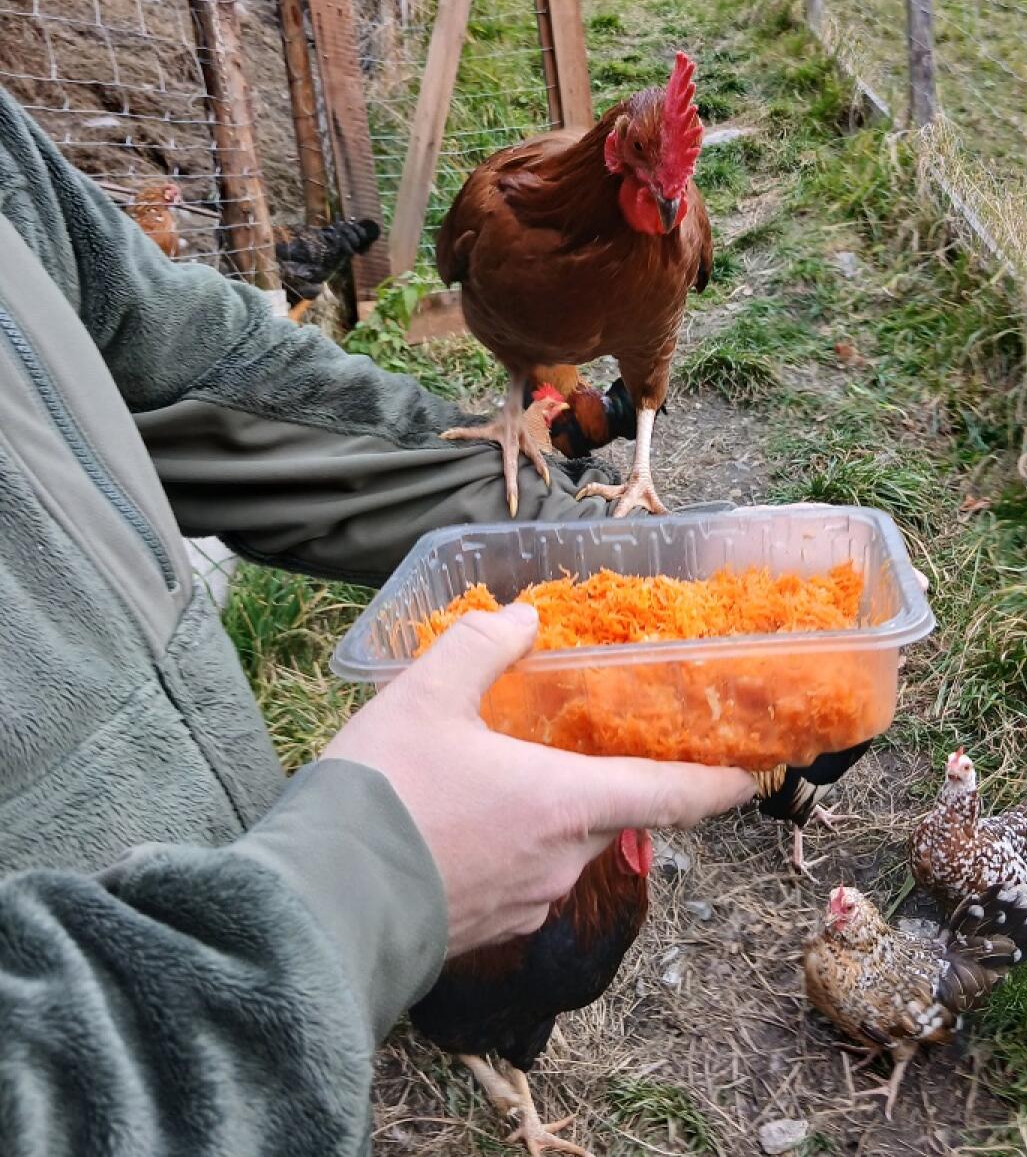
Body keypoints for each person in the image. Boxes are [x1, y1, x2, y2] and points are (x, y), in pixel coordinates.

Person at [0, 87, 754, 1155]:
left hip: (272, 938)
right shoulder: (505, 215)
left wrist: (551, 531)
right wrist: (356, 892)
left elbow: (208, 378)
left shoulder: (8, 155)